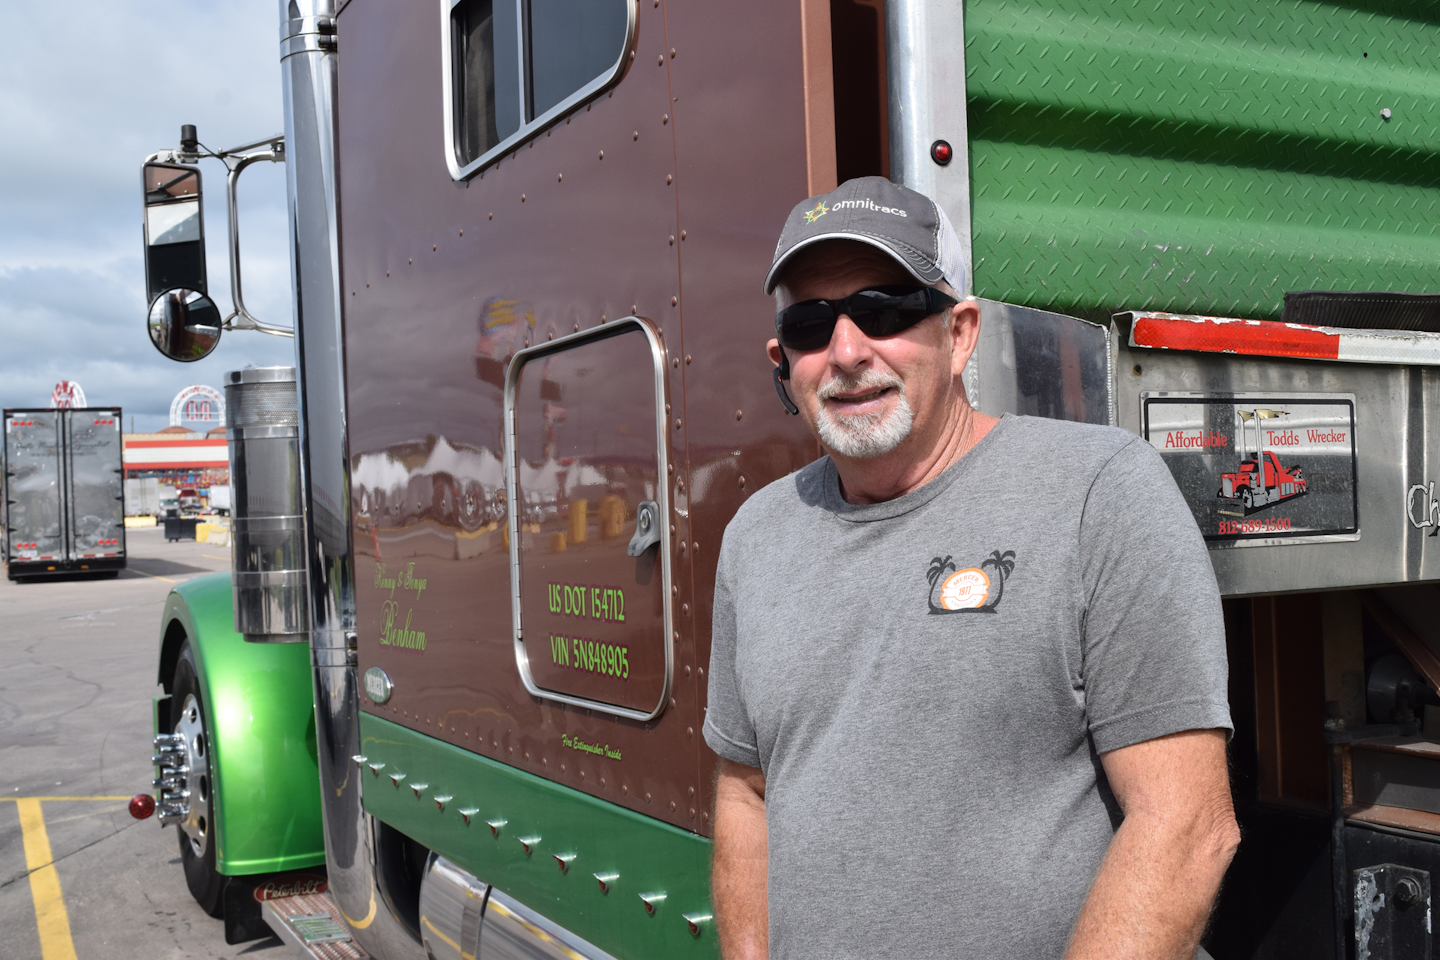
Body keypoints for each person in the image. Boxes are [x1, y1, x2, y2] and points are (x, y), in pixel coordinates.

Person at [704, 176, 1238, 960]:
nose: (848, 351)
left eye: (885, 312)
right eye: (813, 325)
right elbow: (744, 792)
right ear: (785, 362)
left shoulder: (1098, 491)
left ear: (958, 334)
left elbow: (1187, 827)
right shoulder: (757, 535)